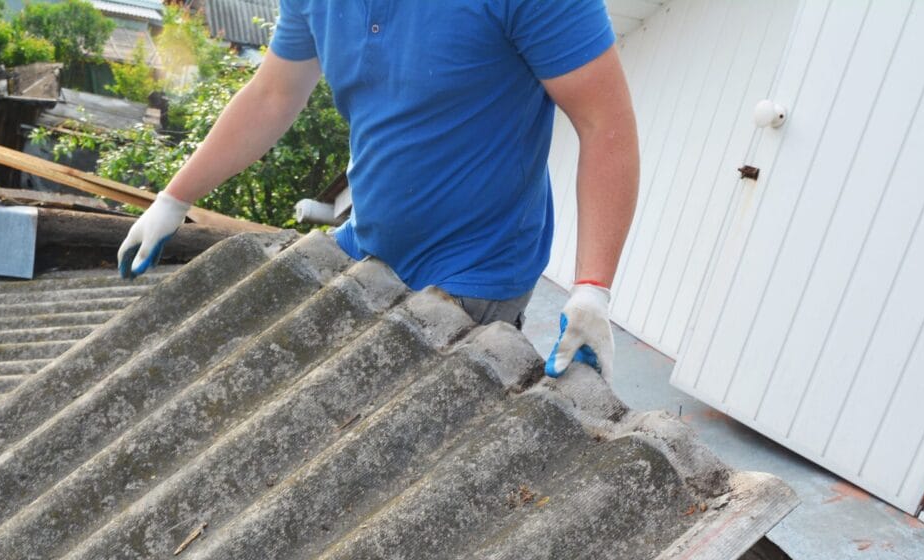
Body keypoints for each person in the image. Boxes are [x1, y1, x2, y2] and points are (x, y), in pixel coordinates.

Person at [116, 0, 639, 381]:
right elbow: (273, 95)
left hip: (476, 267)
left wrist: (593, 286)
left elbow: (605, 125)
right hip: (367, 242)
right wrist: (174, 198)